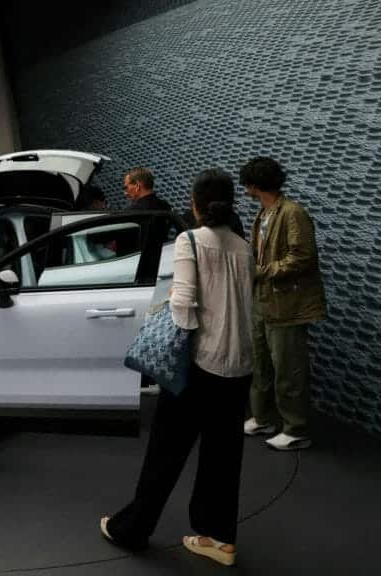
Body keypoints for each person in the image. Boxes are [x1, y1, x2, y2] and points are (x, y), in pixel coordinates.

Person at [100, 168, 254, 567]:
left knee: (165, 454)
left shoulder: (189, 241)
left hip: (199, 364)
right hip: (239, 366)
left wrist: (170, 304)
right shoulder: (243, 245)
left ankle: (133, 528)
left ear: (196, 203)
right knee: (223, 458)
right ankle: (219, 540)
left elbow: (184, 309)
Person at [241, 157, 327, 451]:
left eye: (247, 185)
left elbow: (302, 257)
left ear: (254, 185)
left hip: (288, 306)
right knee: (261, 365)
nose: (245, 190)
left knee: (289, 369)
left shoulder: (292, 213)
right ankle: (263, 418)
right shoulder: (264, 213)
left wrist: (262, 272)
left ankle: (296, 429)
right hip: (263, 302)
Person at [124, 167, 172, 396]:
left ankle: (141, 376)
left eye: (127, 187)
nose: (126, 192)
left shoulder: (131, 213)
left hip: (136, 274)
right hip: (162, 274)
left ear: (138, 185)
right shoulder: (166, 209)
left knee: (138, 327)